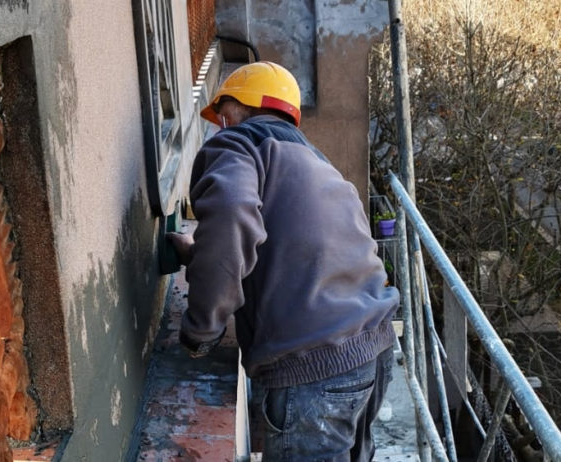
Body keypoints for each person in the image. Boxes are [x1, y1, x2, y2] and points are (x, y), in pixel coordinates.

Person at [167, 61, 400, 461]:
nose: (219, 124)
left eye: (222, 114)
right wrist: (199, 255)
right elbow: (291, 248)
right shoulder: (319, 165)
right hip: (373, 352)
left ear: (238, 109)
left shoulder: (239, 144)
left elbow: (231, 214)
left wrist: (200, 332)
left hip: (315, 369)